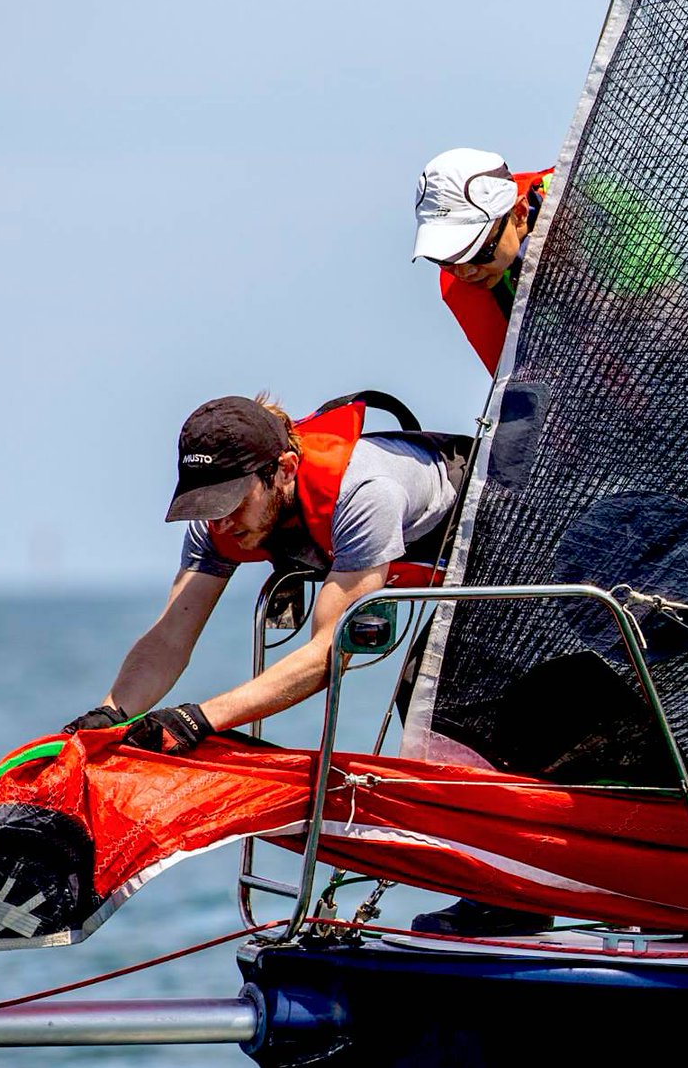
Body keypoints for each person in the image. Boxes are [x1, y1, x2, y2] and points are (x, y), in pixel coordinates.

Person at [61, 391, 472, 755]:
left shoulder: (365, 494)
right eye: (209, 506)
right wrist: (111, 712)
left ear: (286, 470)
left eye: (232, 502)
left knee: (433, 698)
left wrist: (199, 719)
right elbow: (170, 637)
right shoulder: (218, 523)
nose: (220, 523)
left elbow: (328, 654)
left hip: (493, 541)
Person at [412, 147, 553, 375]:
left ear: (519, 213)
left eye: (480, 251)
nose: (465, 272)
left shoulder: (597, 205)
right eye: (445, 258)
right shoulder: (477, 279)